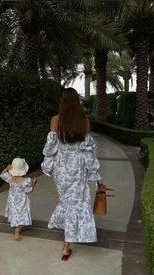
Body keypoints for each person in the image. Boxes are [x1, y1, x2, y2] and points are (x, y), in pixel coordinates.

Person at [41, 87, 101, 261]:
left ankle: (67, 243)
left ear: (63, 101)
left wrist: (47, 166)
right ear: (77, 102)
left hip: (61, 170)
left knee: (68, 203)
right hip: (78, 169)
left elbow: (50, 148)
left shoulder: (55, 120)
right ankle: (68, 243)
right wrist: (94, 174)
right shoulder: (85, 122)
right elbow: (88, 152)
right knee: (76, 203)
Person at [0, 158, 37, 241]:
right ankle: (17, 230)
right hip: (21, 201)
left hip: (12, 200)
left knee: (15, 213)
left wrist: (6, 168)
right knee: (23, 215)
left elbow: (2, 175)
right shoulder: (26, 181)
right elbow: (29, 191)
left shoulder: (10, 178)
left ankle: (15, 224)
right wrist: (34, 183)